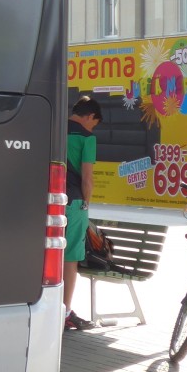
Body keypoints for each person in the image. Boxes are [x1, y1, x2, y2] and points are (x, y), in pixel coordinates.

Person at [63, 95, 103, 331]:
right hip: (74, 200)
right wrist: (86, 202)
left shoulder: (53, 128)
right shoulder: (86, 138)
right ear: (89, 117)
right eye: (94, 123)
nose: (92, 127)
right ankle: (65, 311)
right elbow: (87, 178)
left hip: (45, 199)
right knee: (70, 256)